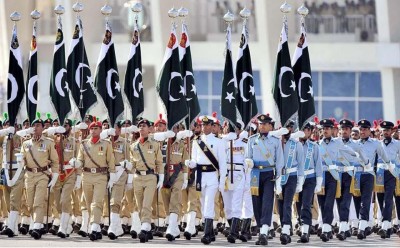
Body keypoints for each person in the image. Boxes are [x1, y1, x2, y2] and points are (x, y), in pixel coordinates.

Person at [185, 115, 227, 245]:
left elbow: (223, 164)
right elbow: (195, 160)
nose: (204, 127)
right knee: (203, 205)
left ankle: (207, 234)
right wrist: (190, 163)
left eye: (207, 125)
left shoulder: (219, 142)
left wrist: (221, 181)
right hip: (200, 176)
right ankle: (211, 231)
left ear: (212, 126)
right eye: (202, 125)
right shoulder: (196, 141)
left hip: (212, 176)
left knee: (209, 203)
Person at [245, 114, 284, 246]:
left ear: (270, 126)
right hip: (255, 173)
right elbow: (247, 157)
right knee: (256, 203)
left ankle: (264, 232)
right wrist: (248, 162)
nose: (261, 126)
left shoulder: (275, 140)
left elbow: (279, 161)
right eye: (260, 124)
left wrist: (279, 180)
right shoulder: (252, 139)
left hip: (269, 173)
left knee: (267, 202)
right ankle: (261, 228)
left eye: (264, 124)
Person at [77, 119, 115, 241]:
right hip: (86, 175)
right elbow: (80, 160)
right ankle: (97, 227)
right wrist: (76, 163)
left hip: (100, 175)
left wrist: (112, 176)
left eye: (96, 128)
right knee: (88, 203)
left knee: (97, 202)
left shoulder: (106, 144)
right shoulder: (83, 144)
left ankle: (93, 227)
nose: (93, 131)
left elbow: (111, 161)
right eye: (92, 128)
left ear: (100, 130)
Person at [20, 116, 59, 240]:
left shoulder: (48, 142)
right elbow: (22, 159)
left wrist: (55, 176)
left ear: (42, 128)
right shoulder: (26, 143)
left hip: (42, 174)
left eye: (38, 125)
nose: (36, 128)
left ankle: (37, 226)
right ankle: (37, 223)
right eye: (34, 125)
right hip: (29, 175)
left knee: (38, 201)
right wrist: (20, 160)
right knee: (30, 202)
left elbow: (55, 161)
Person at [353, 119, 389, 240]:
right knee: (357, 201)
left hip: (368, 174)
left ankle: (362, 227)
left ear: (369, 130)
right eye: (360, 129)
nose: (362, 132)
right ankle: (365, 224)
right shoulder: (354, 143)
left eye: (364, 129)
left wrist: (390, 166)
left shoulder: (375, 143)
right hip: (356, 175)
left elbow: (383, 157)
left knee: (366, 200)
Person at [130, 118, 164, 243]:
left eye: (144, 126)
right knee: (139, 204)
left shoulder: (154, 144)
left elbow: (159, 162)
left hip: (150, 177)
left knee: (146, 203)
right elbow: (132, 163)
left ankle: (144, 228)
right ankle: (148, 227)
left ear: (149, 129)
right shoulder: (133, 145)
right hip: (138, 177)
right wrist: (130, 175)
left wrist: (161, 177)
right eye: (140, 126)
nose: (142, 128)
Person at [297, 122, 322, 243]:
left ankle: (305, 231)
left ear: (310, 132)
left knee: (306, 204)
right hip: (295, 179)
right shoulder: (293, 145)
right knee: (297, 204)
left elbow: (318, 165)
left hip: (309, 178)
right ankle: (300, 225)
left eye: (307, 129)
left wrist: (318, 182)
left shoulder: (314, 146)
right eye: (302, 129)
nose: (304, 132)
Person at [376, 121, 400, 239]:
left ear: (391, 131)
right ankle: (388, 225)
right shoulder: (377, 144)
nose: (385, 132)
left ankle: (385, 225)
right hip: (379, 174)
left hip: (391, 173)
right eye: (384, 130)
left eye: (388, 130)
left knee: (388, 198)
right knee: (380, 199)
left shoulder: (397, 144)